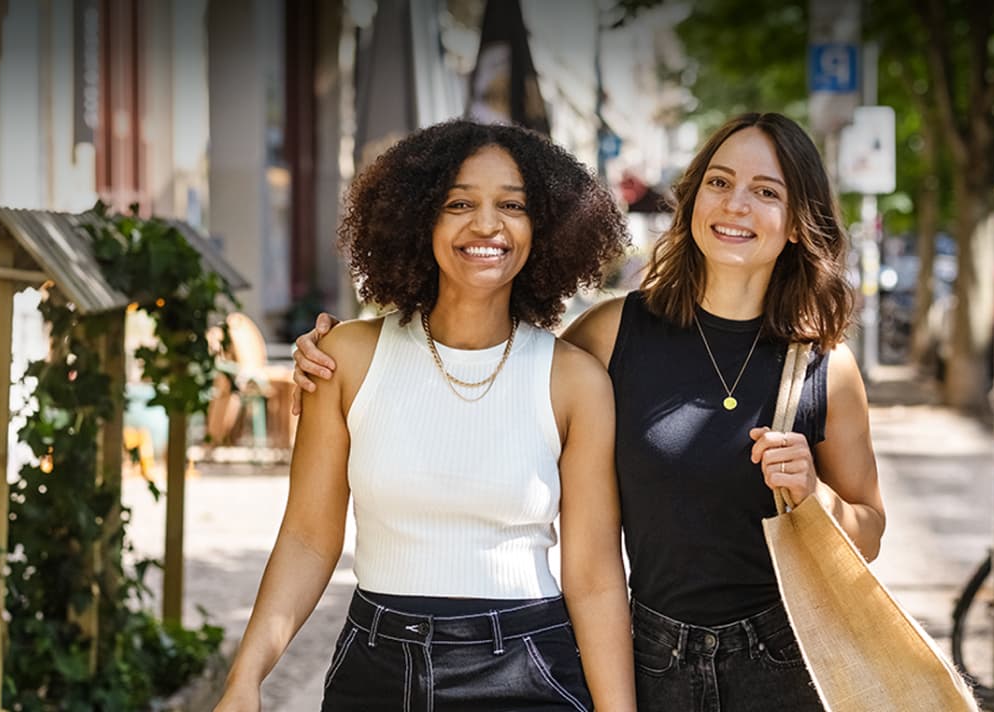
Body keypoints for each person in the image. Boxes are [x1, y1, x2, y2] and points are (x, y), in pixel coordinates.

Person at [289, 112, 886, 712]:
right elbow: (497, 369)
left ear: (796, 224)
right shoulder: (612, 333)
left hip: (785, 662)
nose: (735, 206)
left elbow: (871, 531)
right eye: (719, 182)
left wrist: (817, 495)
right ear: (693, 198)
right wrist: (336, 360)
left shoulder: (823, 368)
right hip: (651, 658)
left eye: (766, 192)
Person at [215, 119, 636, 712]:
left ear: (543, 225)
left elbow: (593, 578)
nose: (486, 224)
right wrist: (245, 678)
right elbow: (309, 538)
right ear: (417, 219)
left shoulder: (575, 381)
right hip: (378, 665)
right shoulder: (347, 359)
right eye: (458, 203)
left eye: (511, 205)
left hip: (527, 666)